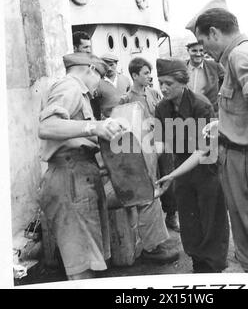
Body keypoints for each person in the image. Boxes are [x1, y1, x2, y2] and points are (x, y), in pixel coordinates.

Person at [158, 8, 248, 273]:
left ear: (214, 33)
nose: (204, 51)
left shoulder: (238, 56)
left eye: (203, 43)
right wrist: (225, 123)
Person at [37, 52, 125, 280]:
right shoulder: (70, 87)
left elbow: (77, 135)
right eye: (100, 77)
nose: (98, 87)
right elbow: (47, 127)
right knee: (82, 270)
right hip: (70, 180)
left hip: (80, 176)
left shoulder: (79, 93)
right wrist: (94, 127)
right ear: (91, 70)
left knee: (90, 261)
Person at [154, 58, 229, 273]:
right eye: (161, 83)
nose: (164, 88)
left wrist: (171, 176)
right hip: (182, 170)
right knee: (189, 219)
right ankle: (198, 264)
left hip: (207, 168)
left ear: (183, 82)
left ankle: (214, 269)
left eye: (169, 83)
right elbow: (160, 145)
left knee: (211, 219)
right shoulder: (162, 108)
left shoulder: (201, 106)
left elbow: (202, 150)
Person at [119, 57, 180, 262]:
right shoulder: (126, 100)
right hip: (143, 150)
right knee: (149, 189)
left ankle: (169, 218)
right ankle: (153, 241)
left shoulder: (154, 94)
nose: (149, 76)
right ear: (134, 75)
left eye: (149, 72)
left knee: (168, 181)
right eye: (145, 73)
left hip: (161, 145)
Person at [186, 40, 224, 114]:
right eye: (194, 51)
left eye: (201, 50)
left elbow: (226, 80)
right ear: (188, 51)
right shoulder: (182, 67)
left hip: (209, 112)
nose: (198, 54)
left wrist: (219, 95)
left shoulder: (214, 66)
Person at [96, 53, 132, 119]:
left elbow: (131, 99)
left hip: (125, 119)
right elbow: (95, 107)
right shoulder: (97, 83)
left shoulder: (125, 80)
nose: (109, 68)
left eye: (111, 65)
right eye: (105, 65)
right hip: (107, 122)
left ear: (116, 64)